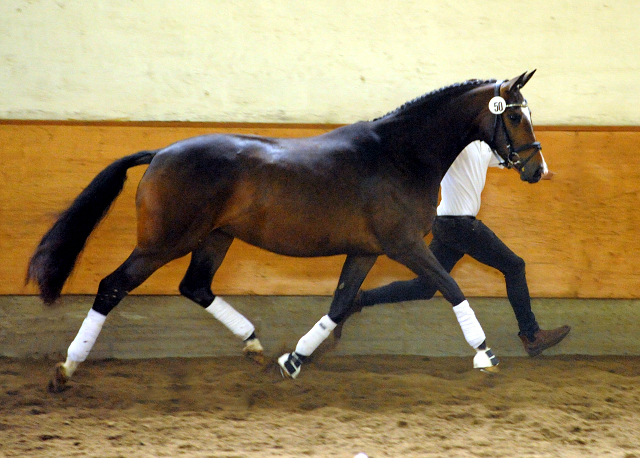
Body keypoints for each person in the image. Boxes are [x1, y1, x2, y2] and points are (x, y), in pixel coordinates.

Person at [335, 140, 570, 357]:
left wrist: (540, 173)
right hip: (460, 225)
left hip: (448, 225)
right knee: (515, 266)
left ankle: (356, 301)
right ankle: (531, 335)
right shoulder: (456, 144)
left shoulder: (485, 148)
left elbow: (512, 161)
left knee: (424, 287)